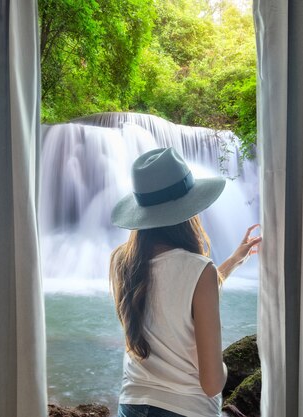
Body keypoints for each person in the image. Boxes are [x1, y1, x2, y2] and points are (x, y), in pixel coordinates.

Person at [109, 147, 262, 417]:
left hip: (130, 405)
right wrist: (226, 367)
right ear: (189, 209)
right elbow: (212, 383)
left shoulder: (123, 261)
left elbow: (173, 291)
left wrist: (233, 261)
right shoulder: (198, 269)